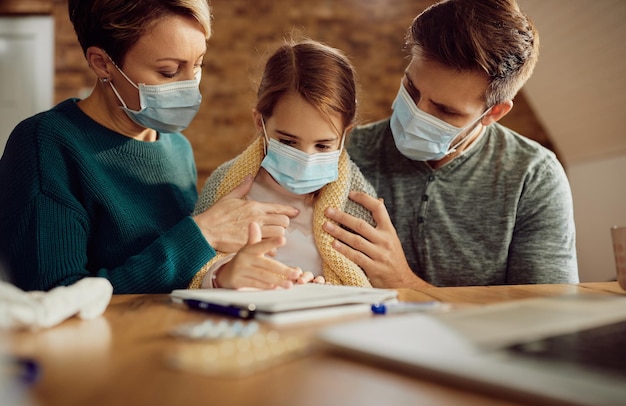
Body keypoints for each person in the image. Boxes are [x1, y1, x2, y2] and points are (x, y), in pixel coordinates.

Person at [0, 0, 302, 294]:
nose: (190, 87)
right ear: (102, 63)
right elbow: (55, 299)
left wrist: (224, 273)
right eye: (169, 72)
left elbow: (181, 276)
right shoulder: (46, 144)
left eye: (198, 65)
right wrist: (201, 234)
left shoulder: (176, 147)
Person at [323, 0, 579, 288]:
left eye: (445, 110)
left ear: (493, 113)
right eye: (411, 88)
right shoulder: (346, 151)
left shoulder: (533, 177)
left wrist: (403, 283)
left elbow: (546, 318)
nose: (417, 113)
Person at [191, 39, 376, 290]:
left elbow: (370, 283)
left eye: (322, 146)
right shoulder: (225, 187)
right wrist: (221, 275)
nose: (306, 160)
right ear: (260, 123)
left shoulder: (357, 202)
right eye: (288, 142)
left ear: (345, 134)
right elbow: (195, 268)